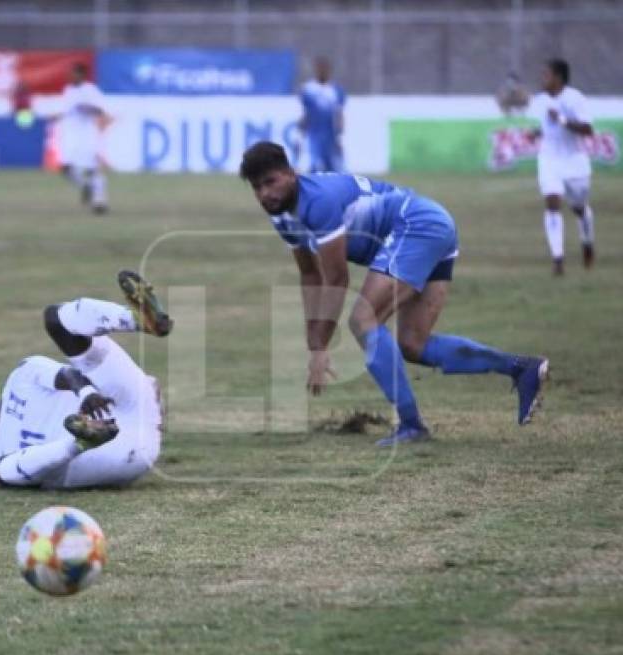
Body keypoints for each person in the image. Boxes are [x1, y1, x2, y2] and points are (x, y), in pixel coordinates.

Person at [239, 141, 548, 446]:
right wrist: (314, 343)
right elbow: (310, 274)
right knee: (413, 344)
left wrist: (321, 347)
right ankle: (520, 368)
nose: (266, 193)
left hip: (417, 225)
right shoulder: (281, 216)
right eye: (257, 187)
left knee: (364, 319)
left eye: (271, 182)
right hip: (430, 226)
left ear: (291, 173)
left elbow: (335, 278)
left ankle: (411, 425)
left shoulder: (317, 202)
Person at [0, 270, 171, 489]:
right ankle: (80, 442)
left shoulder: (19, 378)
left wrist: (86, 394)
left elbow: (67, 375)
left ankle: (137, 320)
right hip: (122, 452)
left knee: (55, 319)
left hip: (123, 400)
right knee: (2, 470)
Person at [527, 59, 595, 275]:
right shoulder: (540, 101)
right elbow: (545, 127)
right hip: (549, 160)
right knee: (552, 202)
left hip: (575, 161)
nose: (542, 79)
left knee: (579, 207)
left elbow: (588, 130)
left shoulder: (575, 99)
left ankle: (587, 241)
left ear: (558, 78)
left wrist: (563, 120)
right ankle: (558, 259)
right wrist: (536, 133)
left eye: (546, 75)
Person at [57, 62, 110, 214]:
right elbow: (67, 110)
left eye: (73, 73)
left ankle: (100, 202)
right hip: (71, 135)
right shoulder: (68, 90)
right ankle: (85, 186)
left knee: (93, 169)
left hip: (87, 135)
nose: (70, 76)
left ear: (81, 75)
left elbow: (100, 110)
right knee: (66, 169)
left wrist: (86, 108)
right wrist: (57, 116)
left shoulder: (91, 90)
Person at [298, 57, 346, 173]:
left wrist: (340, 135)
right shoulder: (308, 89)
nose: (322, 71)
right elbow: (305, 112)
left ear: (329, 71)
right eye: (319, 69)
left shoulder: (335, 90)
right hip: (313, 133)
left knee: (333, 166)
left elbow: (339, 113)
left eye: (325, 69)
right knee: (314, 164)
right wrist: (301, 132)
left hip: (330, 135)